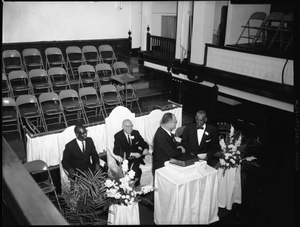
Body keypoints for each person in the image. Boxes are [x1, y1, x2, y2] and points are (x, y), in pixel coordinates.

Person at [113, 119, 149, 187]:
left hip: (137, 157)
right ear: (123, 127)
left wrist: (145, 148)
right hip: (126, 158)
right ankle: (134, 187)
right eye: (127, 126)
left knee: (134, 170)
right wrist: (131, 154)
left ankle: (135, 187)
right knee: (135, 171)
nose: (130, 128)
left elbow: (143, 143)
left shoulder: (136, 133)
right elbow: (116, 150)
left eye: (131, 126)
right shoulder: (118, 136)